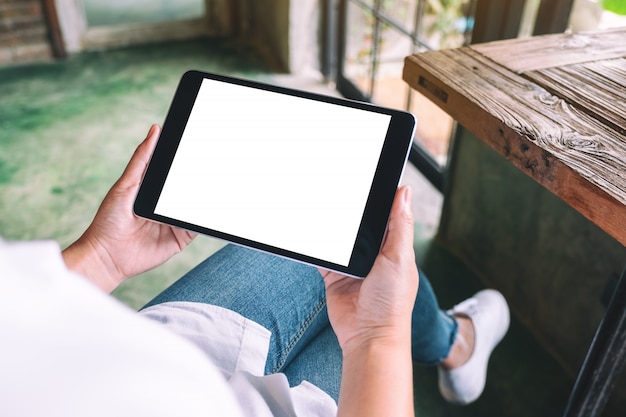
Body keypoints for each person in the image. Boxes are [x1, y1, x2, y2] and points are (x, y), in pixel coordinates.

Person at [0, 125, 509, 416]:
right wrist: (380, 338)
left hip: (175, 347)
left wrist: (100, 258)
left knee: (343, 246)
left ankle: (451, 345)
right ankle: (452, 345)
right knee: (365, 257)